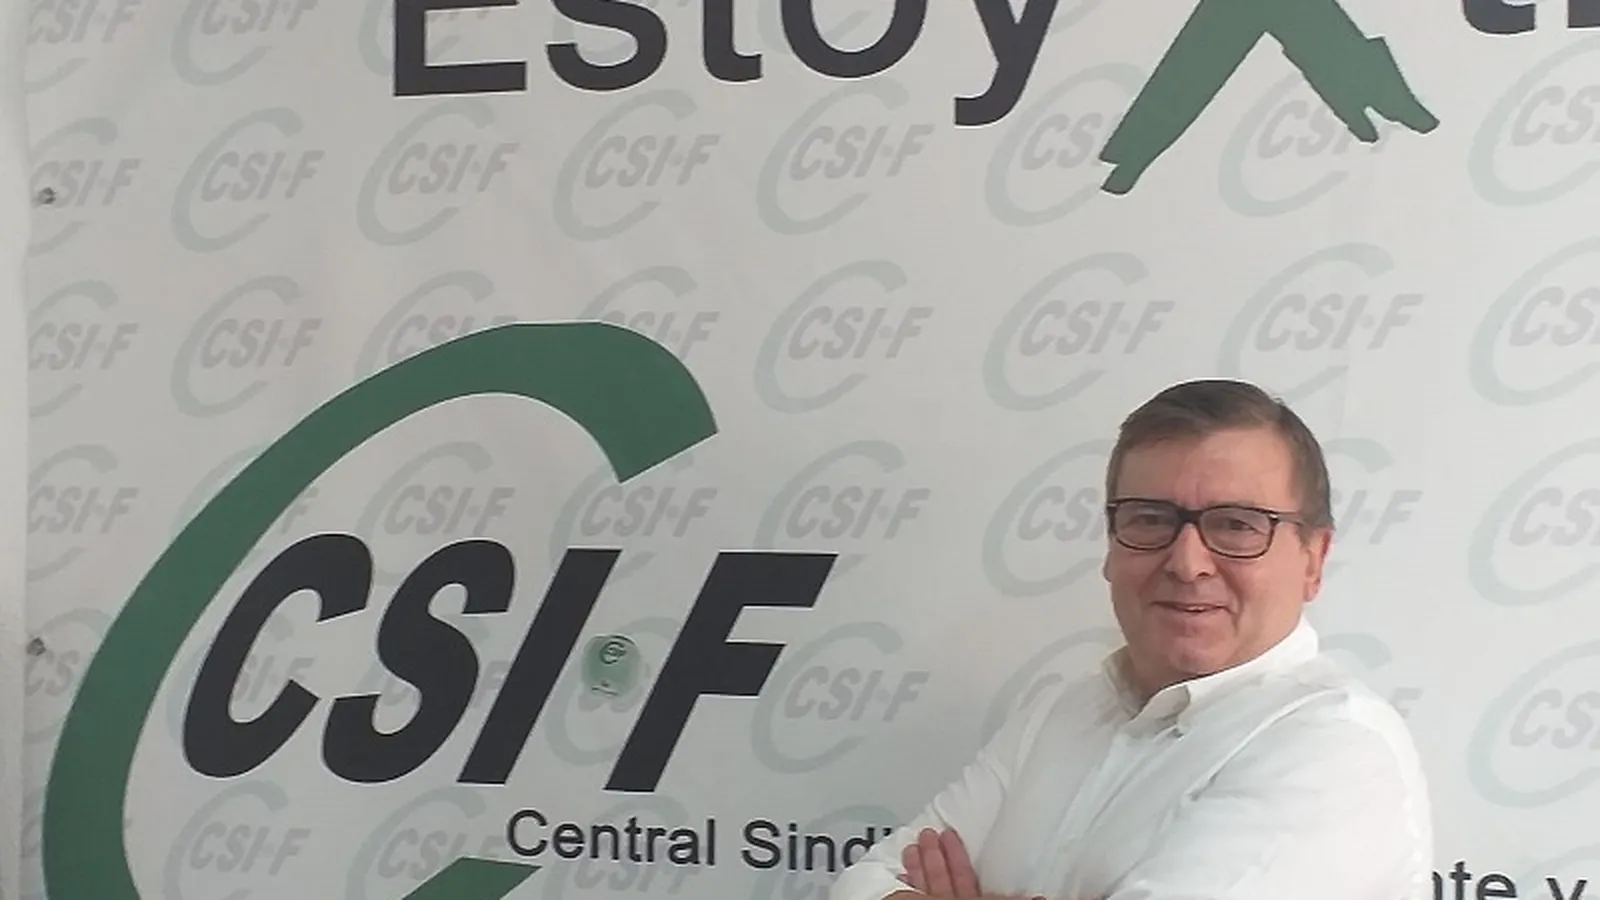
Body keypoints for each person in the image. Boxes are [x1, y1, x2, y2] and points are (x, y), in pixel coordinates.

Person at [827, 378, 1432, 900]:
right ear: (1111, 545)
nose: (1188, 563)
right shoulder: (1066, 710)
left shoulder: (1336, 748)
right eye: (1150, 519)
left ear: (1313, 559)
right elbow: (860, 885)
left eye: (1237, 525)